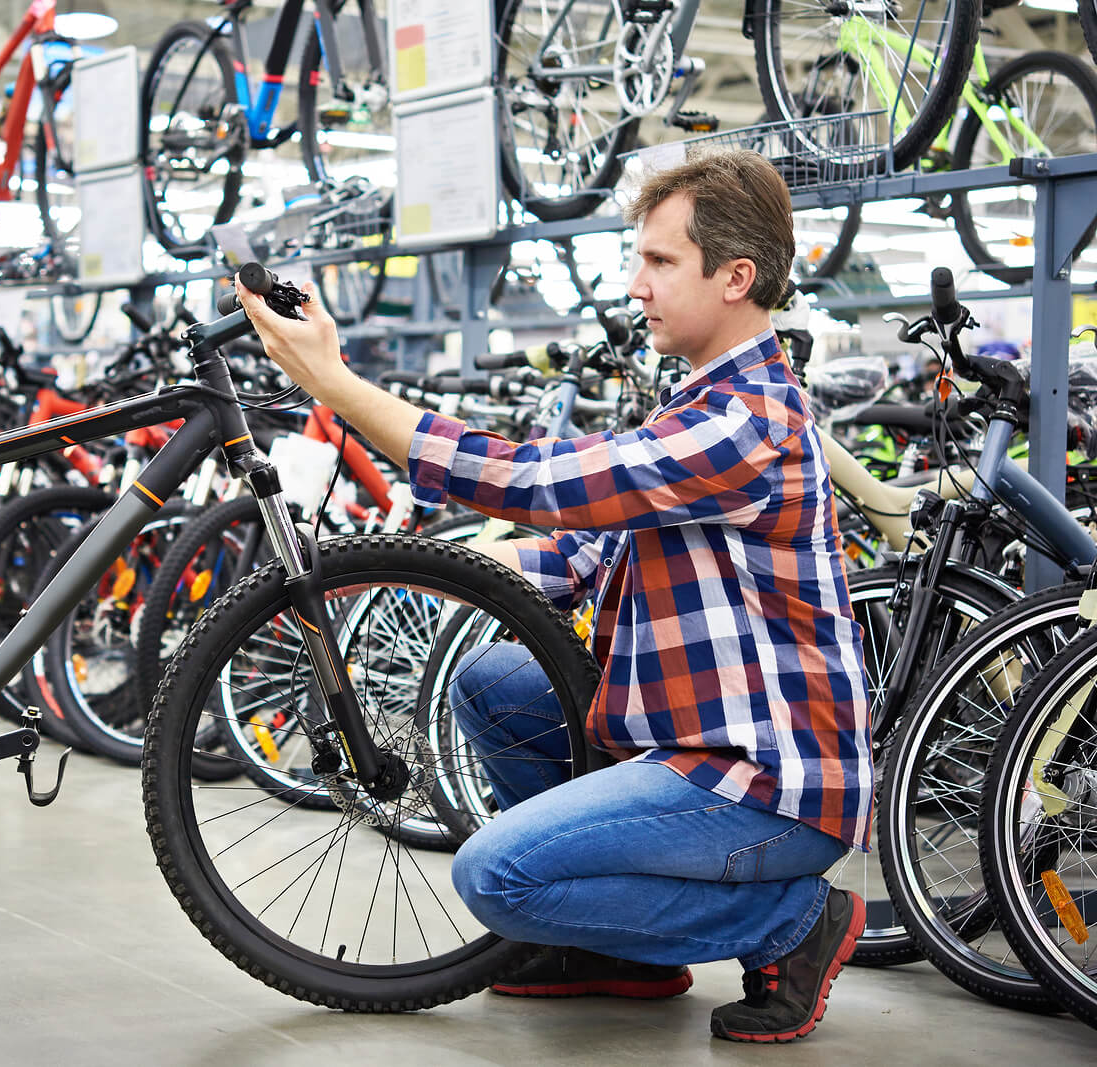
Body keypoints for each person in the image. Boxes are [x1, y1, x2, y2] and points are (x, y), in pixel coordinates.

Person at [235, 148, 873, 1044]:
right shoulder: (694, 405)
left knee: (498, 878)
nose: (635, 283)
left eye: (659, 261)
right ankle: (619, 951)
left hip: (762, 784)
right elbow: (576, 550)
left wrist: (332, 384)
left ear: (737, 276)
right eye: (638, 258)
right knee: (494, 682)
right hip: (683, 735)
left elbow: (534, 482)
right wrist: (400, 570)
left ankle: (794, 926)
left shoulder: (747, 423)